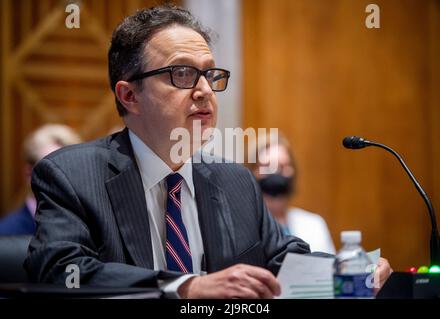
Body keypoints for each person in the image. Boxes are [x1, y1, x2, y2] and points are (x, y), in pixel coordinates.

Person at [25, 5, 392, 298]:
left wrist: (346, 269)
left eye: (210, 75)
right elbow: (61, 271)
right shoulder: (72, 174)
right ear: (129, 96)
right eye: (182, 74)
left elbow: (284, 259)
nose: (205, 91)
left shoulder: (235, 181)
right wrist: (186, 287)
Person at [250, 133, 336, 254]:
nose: (276, 172)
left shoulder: (314, 225)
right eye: (267, 166)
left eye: (283, 166)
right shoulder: (241, 227)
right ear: (251, 172)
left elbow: (330, 269)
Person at [0, 124, 81, 235]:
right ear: (29, 173)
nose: (64, 178)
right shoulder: (6, 234)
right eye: (54, 169)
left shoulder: (91, 232)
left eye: (71, 168)